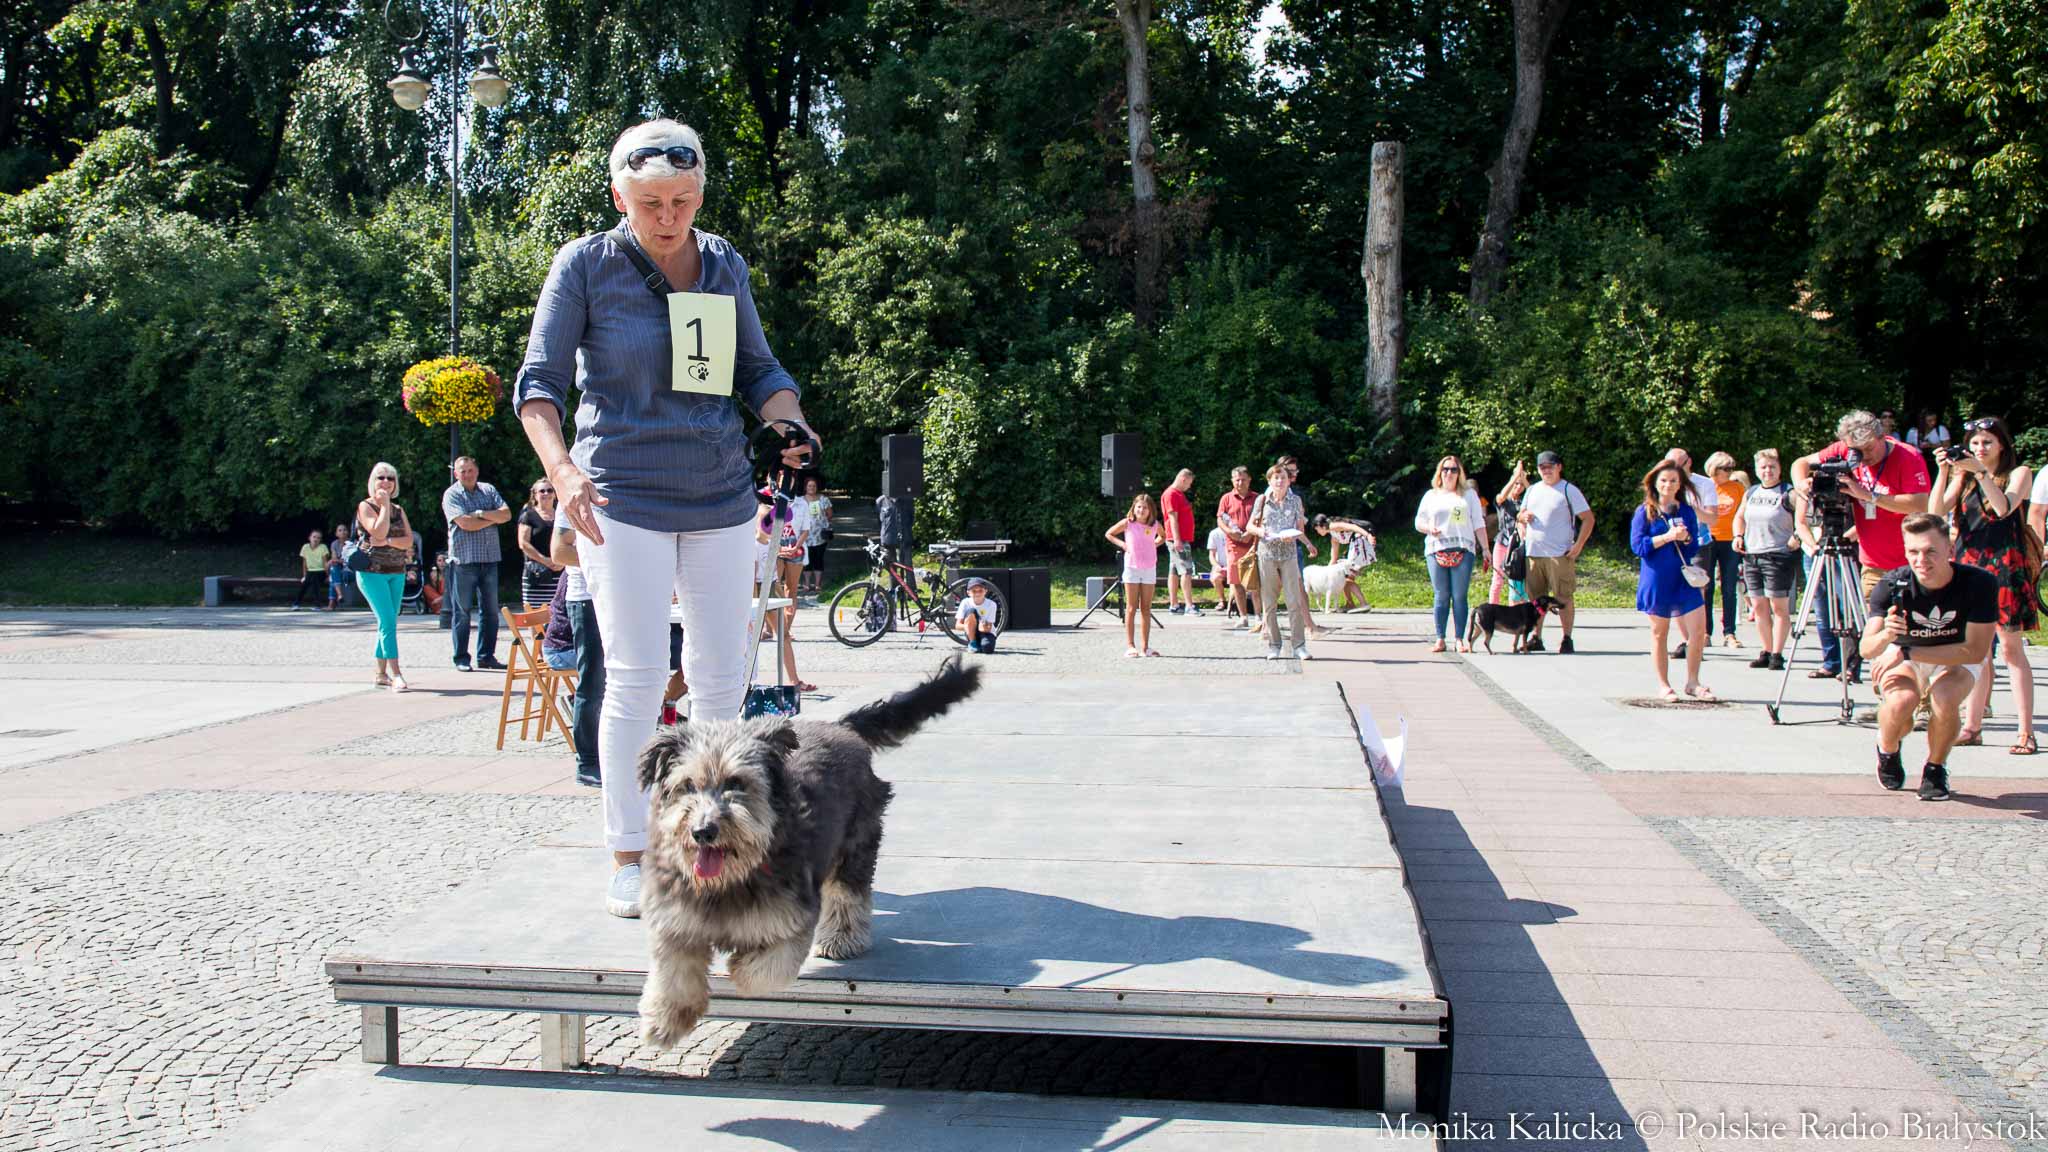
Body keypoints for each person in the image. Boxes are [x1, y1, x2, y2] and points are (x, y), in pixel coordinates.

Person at [514, 118, 818, 919]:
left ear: (701, 192)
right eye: (650, 201)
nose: (667, 215)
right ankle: (629, 853)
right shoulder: (585, 265)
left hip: (719, 498)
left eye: (683, 199)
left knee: (723, 681)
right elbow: (537, 386)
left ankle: (720, 850)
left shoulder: (723, 263)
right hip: (619, 499)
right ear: (619, 195)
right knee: (638, 676)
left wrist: (789, 421)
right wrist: (562, 470)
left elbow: (758, 370)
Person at [1859, 514, 2000, 800]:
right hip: (1904, 653)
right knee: (1902, 703)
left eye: (1930, 551)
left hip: (1952, 653)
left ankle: (1935, 769)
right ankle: (1887, 749)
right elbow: (1866, 648)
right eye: (1913, 551)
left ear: (1950, 550)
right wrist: (1887, 635)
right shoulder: (1892, 584)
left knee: (1944, 699)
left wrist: (1907, 649)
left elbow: (1975, 650)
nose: (1921, 560)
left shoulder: (1979, 583)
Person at [1927, 417, 2037, 754]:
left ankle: (2025, 731)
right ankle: (1972, 726)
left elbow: (2003, 508)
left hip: (2005, 565)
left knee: (2010, 649)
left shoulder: (2019, 474)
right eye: (1975, 442)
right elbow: (1934, 511)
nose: (1980, 448)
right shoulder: (1964, 475)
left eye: (1987, 442)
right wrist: (1946, 471)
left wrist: (1980, 472)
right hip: (1970, 565)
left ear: (2002, 445)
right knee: (1976, 652)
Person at [1791, 409, 1933, 605]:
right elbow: (1801, 462)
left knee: (1909, 630)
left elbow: (1920, 504)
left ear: (1882, 436)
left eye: (1869, 448)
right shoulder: (1847, 448)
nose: (1864, 456)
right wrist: (1800, 483)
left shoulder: (1908, 456)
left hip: (1910, 562)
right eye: (1857, 451)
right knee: (1873, 629)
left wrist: (1868, 496)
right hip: (1872, 564)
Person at [1631, 459, 1712, 702]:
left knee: (1698, 629)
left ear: (1680, 484)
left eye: (1673, 480)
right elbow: (1638, 546)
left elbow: (1693, 546)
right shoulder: (1645, 511)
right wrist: (1667, 537)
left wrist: (1685, 538)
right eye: (1664, 480)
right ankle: (1664, 684)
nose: (1668, 484)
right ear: (1655, 483)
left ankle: (1693, 681)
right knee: (1660, 632)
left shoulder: (1685, 510)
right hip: (1657, 577)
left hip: (1684, 577)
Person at [1518, 451, 1594, 652]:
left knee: (1563, 596)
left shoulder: (1568, 490)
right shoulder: (1532, 490)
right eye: (1542, 467)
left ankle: (1566, 638)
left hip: (1559, 554)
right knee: (1536, 599)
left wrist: (1578, 545)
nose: (1547, 470)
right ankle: (1536, 636)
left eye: (1550, 466)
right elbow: (1520, 514)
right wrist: (1523, 517)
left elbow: (1588, 518)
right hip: (1533, 553)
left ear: (1559, 467)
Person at [442, 456, 512, 672]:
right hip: (464, 561)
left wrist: (480, 515)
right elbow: (465, 524)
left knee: (491, 611)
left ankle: (486, 656)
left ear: (477, 471)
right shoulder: (452, 494)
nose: (467, 474)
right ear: (456, 474)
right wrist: (493, 519)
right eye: (462, 471)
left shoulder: (488, 490)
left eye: (470, 470)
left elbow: (507, 515)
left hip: (490, 559)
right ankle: (461, 657)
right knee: (462, 612)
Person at [1731, 449, 1799, 670]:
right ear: (1757, 470)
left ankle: (1778, 653)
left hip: (1778, 555)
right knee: (1759, 605)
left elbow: (1807, 518)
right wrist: (1738, 536)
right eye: (1763, 467)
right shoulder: (1751, 492)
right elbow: (1740, 517)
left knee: (1779, 606)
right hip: (1752, 555)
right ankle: (1766, 649)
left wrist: (1797, 536)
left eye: (1772, 466)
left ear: (1779, 468)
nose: (1768, 471)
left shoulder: (1788, 492)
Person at [1413, 455, 1487, 654]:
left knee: (1459, 595)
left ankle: (1460, 638)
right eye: (1445, 469)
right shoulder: (1431, 495)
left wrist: (1486, 549)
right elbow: (1418, 522)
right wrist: (1430, 528)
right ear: (1439, 472)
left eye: (1454, 469)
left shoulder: (1468, 495)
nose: (1449, 473)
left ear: (1459, 473)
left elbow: (1479, 523)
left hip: (1464, 548)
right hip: (1436, 548)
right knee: (1441, 595)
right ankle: (1440, 638)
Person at [354, 463, 415, 692]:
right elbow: (377, 532)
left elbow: (408, 540)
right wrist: (384, 506)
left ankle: (380, 674)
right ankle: (396, 673)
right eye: (381, 477)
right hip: (372, 573)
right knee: (388, 621)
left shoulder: (399, 510)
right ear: (373, 480)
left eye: (391, 478)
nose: (386, 481)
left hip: (396, 571)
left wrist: (389, 541)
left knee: (387, 622)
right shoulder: (366, 506)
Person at [551, 524, 601, 788]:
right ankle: (587, 761)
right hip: (586, 598)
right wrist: (610, 558)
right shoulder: (572, 490)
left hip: (618, 596)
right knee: (592, 682)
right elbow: (559, 552)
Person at [1249, 463, 1315, 659]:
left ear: (1289, 481)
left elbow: (1299, 528)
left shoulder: (1296, 501)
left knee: (1294, 600)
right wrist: (1261, 532)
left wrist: (1306, 542)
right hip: (1267, 554)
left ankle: (1299, 646)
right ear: (1269, 481)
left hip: (1288, 554)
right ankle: (1274, 645)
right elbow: (1250, 525)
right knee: (1269, 602)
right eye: (1275, 478)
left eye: (1283, 477)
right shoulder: (1262, 500)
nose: (1279, 481)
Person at [1106, 492, 1163, 657]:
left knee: (1146, 608)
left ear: (1150, 510)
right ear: (1134, 508)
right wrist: (1123, 545)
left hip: (1149, 569)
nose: (1141, 510)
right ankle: (1130, 645)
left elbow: (1163, 536)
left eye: (1145, 507)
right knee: (1131, 608)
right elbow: (1109, 533)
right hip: (1132, 568)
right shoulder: (1128, 523)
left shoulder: (1154, 525)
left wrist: (1155, 544)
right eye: (1139, 507)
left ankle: (1145, 647)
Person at [1699, 452, 1746, 648]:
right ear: (1714, 469)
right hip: (1709, 538)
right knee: (1706, 587)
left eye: (1731, 469)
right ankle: (1705, 632)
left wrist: (1741, 536)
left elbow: (1743, 513)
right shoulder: (1705, 486)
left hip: (1730, 540)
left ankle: (1729, 632)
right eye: (1725, 469)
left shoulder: (1737, 488)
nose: (1729, 473)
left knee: (1729, 587)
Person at [1217, 466, 1259, 629]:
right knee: (1236, 583)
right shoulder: (1226, 498)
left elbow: (1261, 518)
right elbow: (1220, 519)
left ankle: (1258, 616)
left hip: (1253, 544)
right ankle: (1243, 616)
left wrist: (1250, 533)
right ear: (1232, 481)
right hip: (1233, 545)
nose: (1240, 482)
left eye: (1243, 479)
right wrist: (1229, 532)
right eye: (1237, 479)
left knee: (1254, 583)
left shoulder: (1257, 498)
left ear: (1249, 480)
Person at [1312, 514, 1375, 612]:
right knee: (1344, 577)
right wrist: (1325, 574)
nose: (1317, 532)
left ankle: (1363, 604)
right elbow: (1334, 558)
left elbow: (1353, 527)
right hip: (1357, 545)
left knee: (1346, 578)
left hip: (1360, 544)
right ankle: (1350, 604)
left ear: (1322, 526)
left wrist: (1368, 535)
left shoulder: (1333, 526)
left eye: (1317, 529)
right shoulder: (1334, 537)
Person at [518, 479, 564, 609]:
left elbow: (570, 540)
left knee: (558, 612)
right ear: (535, 494)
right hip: (536, 573)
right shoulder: (528, 515)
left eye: (549, 490)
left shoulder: (562, 515)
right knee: (534, 614)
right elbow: (523, 543)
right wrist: (546, 561)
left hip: (559, 571)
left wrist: (561, 562)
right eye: (542, 491)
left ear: (555, 494)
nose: (546, 493)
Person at [1161, 468, 1201, 616]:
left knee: (1174, 571)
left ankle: (1174, 604)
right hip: (1178, 539)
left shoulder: (1177, 494)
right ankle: (1189, 606)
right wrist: (1177, 539)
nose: (1189, 487)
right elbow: (1172, 518)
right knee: (1186, 571)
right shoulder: (1171, 494)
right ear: (1183, 479)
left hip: (1177, 538)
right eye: (1189, 483)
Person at [1490, 460, 1529, 606]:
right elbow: (1501, 496)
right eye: (1515, 484)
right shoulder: (1505, 501)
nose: (1518, 487)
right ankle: (1493, 608)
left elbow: (1534, 495)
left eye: (1520, 485)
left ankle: (1518, 609)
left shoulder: (1525, 502)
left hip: (1518, 545)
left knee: (1519, 577)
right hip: (1503, 542)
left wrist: (1523, 479)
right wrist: (1514, 478)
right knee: (1498, 579)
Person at [799, 475, 832, 597]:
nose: (811, 488)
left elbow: (829, 514)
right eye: (809, 486)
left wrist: (822, 520)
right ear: (805, 487)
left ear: (816, 487)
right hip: (805, 536)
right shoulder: (801, 500)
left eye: (813, 486)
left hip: (819, 536)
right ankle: (807, 584)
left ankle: (818, 584)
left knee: (818, 559)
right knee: (806, 560)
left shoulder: (823, 499)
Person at [957, 578, 999, 653]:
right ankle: (973, 642)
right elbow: (957, 625)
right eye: (974, 591)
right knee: (971, 611)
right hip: (971, 631)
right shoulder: (965, 602)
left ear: (985, 591)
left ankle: (980, 644)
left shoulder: (992, 604)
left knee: (987, 649)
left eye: (980, 590)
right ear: (968, 592)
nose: (977, 593)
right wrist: (971, 626)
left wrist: (982, 627)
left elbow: (989, 628)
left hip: (986, 632)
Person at [292, 529, 330, 611]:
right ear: (309, 538)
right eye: (314, 537)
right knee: (305, 583)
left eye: (318, 538)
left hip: (321, 572)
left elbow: (325, 563)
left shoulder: (323, 547)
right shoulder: (305, 547)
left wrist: (328, 576)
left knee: (314, 579)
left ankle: (317, 605)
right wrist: (304, 576)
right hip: (310, 572)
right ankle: (296, 604)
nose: (316, 539)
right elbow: (304, 563)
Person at [1205, 520, 1232, 612]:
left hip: (1234, 565)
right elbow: (1211, 555)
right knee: (1215, 578)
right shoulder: (1214, 533)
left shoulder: (1236, 531)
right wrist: (1217, 566)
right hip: (1221, 566)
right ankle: (1222, 600)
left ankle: (1236, 602)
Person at [329, 522, 356, 609]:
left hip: (350, 570)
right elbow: (334, 559)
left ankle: (332, 602)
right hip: (340, 569)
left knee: (333, 576)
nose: (343, 532)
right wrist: (340, 561)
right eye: (340, 530)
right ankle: (339, 595)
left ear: (348, 532)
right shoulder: (334, 544)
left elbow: (351, 560)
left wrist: (339, 560)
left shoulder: (352, 543)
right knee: (334, 569)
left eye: (344, 530)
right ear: (336, 534)